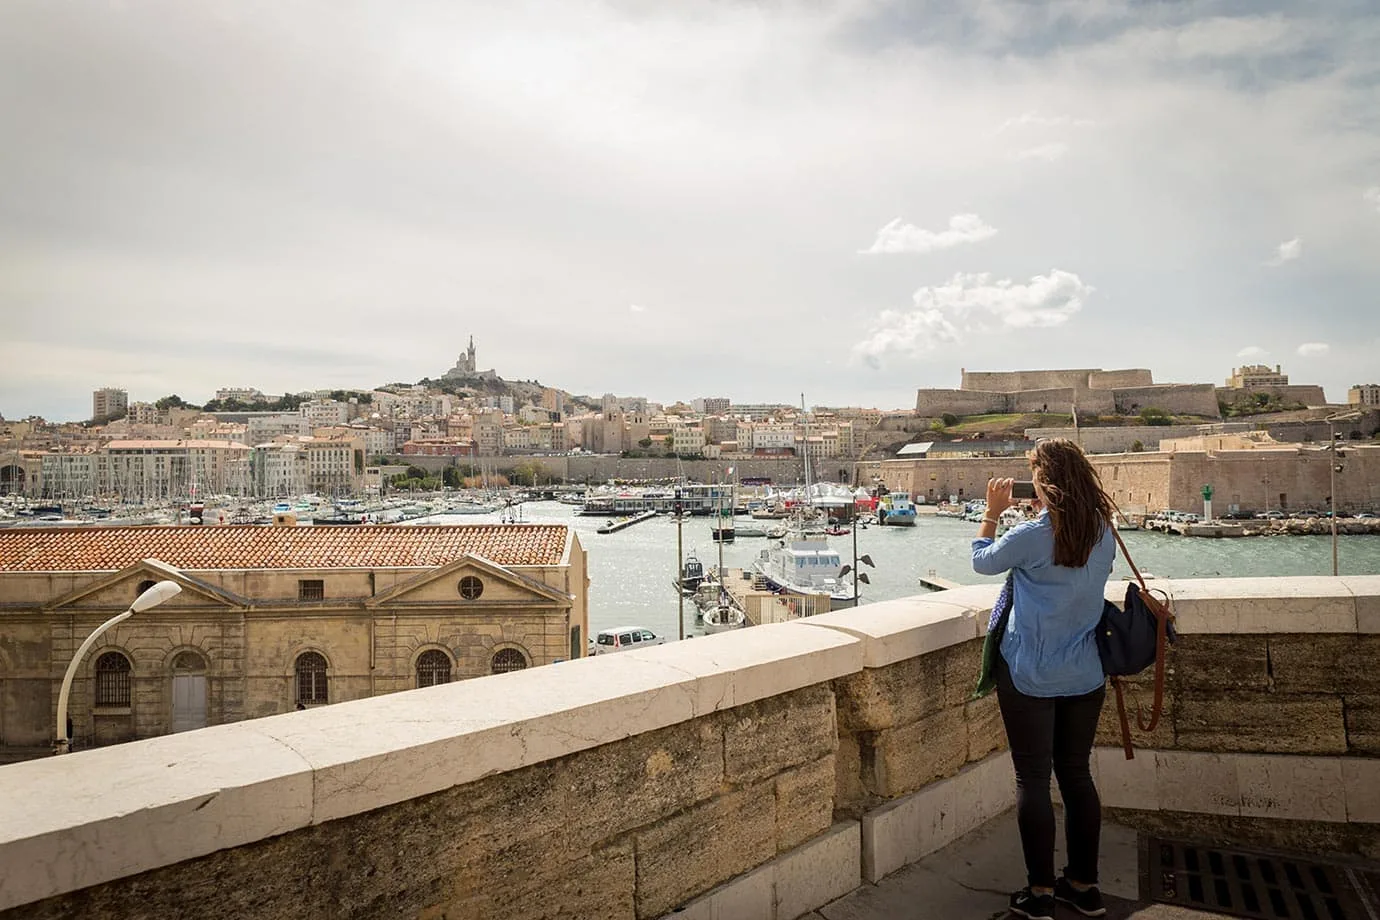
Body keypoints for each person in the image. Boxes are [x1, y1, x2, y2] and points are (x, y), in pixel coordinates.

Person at [972, 438, 1115, 920]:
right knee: (1077, 776)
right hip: (1085, 673)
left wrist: (992, 513)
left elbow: (982, 560)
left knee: (1032, 779)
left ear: (1045, 481)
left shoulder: (1033, 534)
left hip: (1031, 674)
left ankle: (1039, 893)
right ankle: (1083, 885)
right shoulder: (1102, 531)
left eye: (1034, 474)